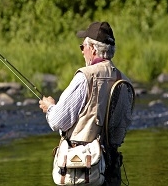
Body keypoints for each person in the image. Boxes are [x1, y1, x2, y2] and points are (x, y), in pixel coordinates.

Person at [39, 21, 133, 186]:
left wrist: (50, 107)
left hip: (84, 171)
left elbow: (57, 121)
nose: (82, 52)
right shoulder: (123, 80)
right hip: (111, 170)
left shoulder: (85, 77)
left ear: (94, 49)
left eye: (83, 47)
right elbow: (119, 132)